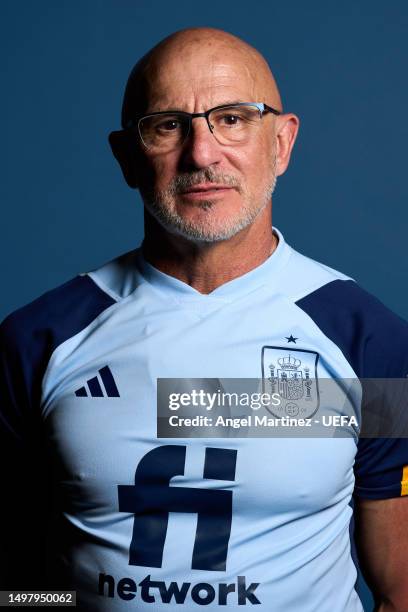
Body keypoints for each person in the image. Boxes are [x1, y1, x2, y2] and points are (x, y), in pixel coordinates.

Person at [1, 27, 407, 611]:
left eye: (234, 118)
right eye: (167, 125)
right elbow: (14, 581)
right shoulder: (35, 342)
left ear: (281, 143)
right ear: (126, 157)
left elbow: (402, 591)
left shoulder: (372, 344)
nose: (202, 153)